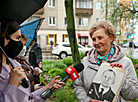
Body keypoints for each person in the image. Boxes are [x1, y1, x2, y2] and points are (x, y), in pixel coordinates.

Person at [0, 18, 65, 102]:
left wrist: (47, 88)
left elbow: (27, 98)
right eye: (17, 38)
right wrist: (13, 85)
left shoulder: (14, 64)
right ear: (4, 39)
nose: (19, 44)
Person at [73, 20, 138, 102]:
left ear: (111, 38)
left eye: (100, 38)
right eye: (93, 39)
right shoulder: (85, 61)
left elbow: (134, 96)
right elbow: (78, 86)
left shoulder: (125, 62)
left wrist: (121, 76)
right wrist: (87, 100)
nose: (96, 42)